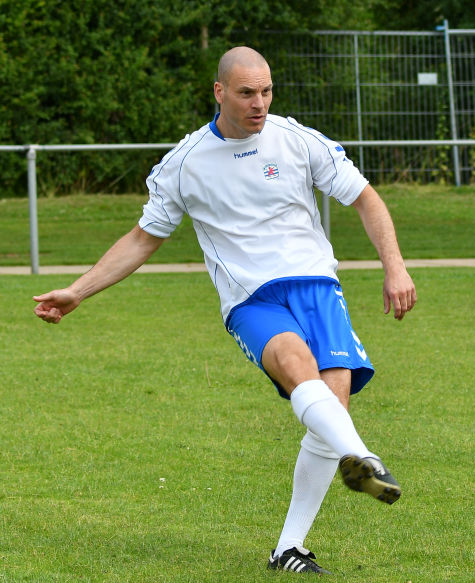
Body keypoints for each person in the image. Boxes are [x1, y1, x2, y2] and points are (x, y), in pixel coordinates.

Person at [33, 46, 417, 574]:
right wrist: (78, 290)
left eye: (266, 91)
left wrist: (394, 266)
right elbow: (143, 238)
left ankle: (289, 547)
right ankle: (364, 457)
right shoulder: (186, 163)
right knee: (296, 367)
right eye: (246, 93)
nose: (259, 103)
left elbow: (366, 199)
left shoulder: (298, 140)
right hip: (251, 298)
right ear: (219, 92)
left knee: (332, 411)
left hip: (318, 287)